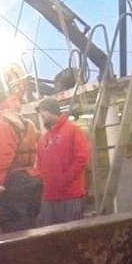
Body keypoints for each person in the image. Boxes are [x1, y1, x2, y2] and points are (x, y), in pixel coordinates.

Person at [0, 76, 41, 234]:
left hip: (12, 191)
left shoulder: (0, 126)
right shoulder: (26, 122)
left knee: (16, 239)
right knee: (31, 233)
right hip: (30, 185)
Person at [34, 97, 91, 227]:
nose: (41, 115)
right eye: (40, 111)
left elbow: (81, 159)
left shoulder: (73, 130)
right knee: (49, 238)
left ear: (53, 111)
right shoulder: (43, 138)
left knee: (71, 236)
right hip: (48, 197)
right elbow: (40, 164)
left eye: (44, 110)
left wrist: (64, 181)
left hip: (70, 197)